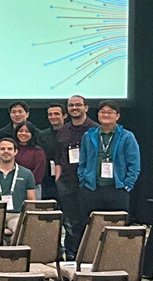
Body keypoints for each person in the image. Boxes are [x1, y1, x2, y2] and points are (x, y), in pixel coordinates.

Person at [77, 101, 139, 214]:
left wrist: (127, 185)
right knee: (92, 227)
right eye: (103, 112)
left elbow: (134, 164)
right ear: (98, 114)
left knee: (117, 227)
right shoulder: (88, 135)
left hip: (117, 189)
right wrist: (83, 181)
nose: (106, 115)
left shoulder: (127, 136)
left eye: (110, 112)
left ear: (117, 116)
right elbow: (82, 161)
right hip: (92, 189)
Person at [57, 95, 97, 258]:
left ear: (86, 108)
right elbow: (58, 156)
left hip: (87, 184)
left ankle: (86, 254)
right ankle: (71, 255)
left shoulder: (95, 129)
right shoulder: (62, 131)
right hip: (66, 182)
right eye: (71, 105)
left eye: (78, 105)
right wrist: (58, 180)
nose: (74, 108)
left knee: (86, 221)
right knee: (71, 223)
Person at [0, 138, 38, 230]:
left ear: (15, 152)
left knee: (20, 230)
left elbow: (32, 200)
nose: (6, 151)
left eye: (9, 149)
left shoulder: (26, 173)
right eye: (2, 149)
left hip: (16, 215)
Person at [12, 123, 49, 189]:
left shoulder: (38, 151)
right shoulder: (10, 149)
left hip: (31, 187)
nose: (23, 133)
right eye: (20, 131)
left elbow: (38, 173)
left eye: (27, 131)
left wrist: (24, 183)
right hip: (11, 186)